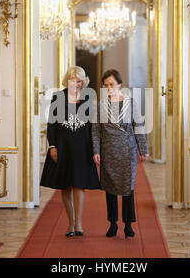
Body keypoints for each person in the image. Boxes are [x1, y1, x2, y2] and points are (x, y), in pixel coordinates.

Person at [40, 66, 100, 237]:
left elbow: (93, 126)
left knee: (78, 185)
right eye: (73, 80)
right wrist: (52, 146)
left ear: (83, 81)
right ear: (67, 80)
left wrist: (95, 149)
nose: (77, 84)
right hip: (62, 147)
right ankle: (70, 223)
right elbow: (51, 124)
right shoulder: (58, 97)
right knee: (65, 186)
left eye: (79, 81)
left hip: (83, 148)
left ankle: (79, 223)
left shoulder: (88, 98)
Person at [92, 69, 149, 239]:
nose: (108, 88)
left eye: (111, 84)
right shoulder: (100, 105)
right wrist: (95, 150)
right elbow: (95, 131)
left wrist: (143, 149)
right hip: (108, 151)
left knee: (127, 189)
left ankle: (129, 224)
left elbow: (138, 126)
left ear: (119, 85)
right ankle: (113, 223)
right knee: (110, 190)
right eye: (105, 85)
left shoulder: (131, 103)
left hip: (127, 151)